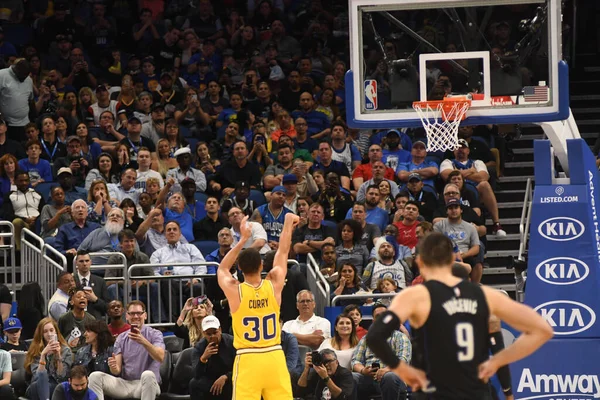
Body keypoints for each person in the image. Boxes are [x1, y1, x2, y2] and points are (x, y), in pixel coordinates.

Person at [365, 232, 554, 396]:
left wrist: (402, 370)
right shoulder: (486, 295)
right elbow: (543, 330)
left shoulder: (415, 296)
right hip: (475, 390)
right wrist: (497, 361)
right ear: (453, 259)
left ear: (419, 261)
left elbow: (374, 337)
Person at [217, 213, 300, 399]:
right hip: (274, 356)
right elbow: (283, 252)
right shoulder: (273, 284)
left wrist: (243, 239)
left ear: (239, 268)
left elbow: (222, 269)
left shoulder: (235, 291)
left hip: (248, 358)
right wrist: (287, 223)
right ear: (262, 266)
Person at [88, 301, 166, 400]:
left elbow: (160, 357)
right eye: (132, 313)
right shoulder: (121, 338)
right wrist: (113, 367)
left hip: (146, 384)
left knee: (148, 374)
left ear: (145, 315)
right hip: (125, 384)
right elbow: (117, 371)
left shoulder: (155, 334)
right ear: (127, 316)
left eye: (139, 313)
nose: (136, 316)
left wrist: (143, 341)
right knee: (95, 377)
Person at [351, 303, 411, 400]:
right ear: (373, 320)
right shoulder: (366, 339)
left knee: (389, 376)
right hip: (369, 378)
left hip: (393, 377)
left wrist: (385, 370)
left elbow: (403, 360)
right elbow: (355, 361)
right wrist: (363, 370)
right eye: (378, 316)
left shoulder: (400, 337)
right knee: (351, 377)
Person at [24, 317, 73, 400]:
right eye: (45, 331)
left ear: (56, 332)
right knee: (38, 385)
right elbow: (37, 376)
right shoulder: (36, 350)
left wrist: (58, 356)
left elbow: (61, 376)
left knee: (55, 387)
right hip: (36, 386)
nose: (49, 334)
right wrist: (43, 355)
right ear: (41, 334)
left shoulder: (65, 350)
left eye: (51, 330)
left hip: (56, 385)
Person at [189, 316, 236, 400]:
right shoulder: (199, 347)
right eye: (209, 334)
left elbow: (242, 366)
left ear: (220, 330)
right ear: (203, 333)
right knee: (194, 383)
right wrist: (203, 358)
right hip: (210, 381)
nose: (213, 336)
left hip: (230, 379)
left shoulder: (232, 342)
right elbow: (196, 374)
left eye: (215, 332)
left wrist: (226, 377)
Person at [73, 251, 110, 320]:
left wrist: (95, 299)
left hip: (95, 322)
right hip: (75, 321)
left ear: (91, 262)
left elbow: (107, 307)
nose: (84, 264)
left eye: (87, 261)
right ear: (76, 263)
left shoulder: (100, 281)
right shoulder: (71, 280)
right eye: (81, 261)